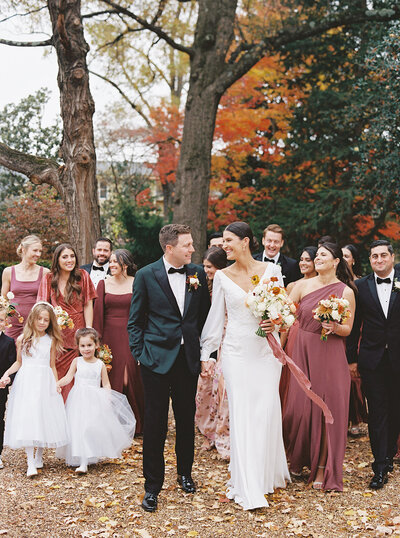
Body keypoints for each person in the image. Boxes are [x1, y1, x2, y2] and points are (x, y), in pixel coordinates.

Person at [200, 221, 290, 510]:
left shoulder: (271, 272)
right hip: (236, 352)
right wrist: (208, 354)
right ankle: (247, 483)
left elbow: (285, 312)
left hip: (265, 352)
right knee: (242, 413)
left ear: (246, 241)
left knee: (264, 411)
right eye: (223, 241)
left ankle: (264, 476)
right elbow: (215, 318)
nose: (223, 246)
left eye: (228, 240)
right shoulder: (223, 277)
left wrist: (274, 321)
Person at [128, 224, 211, 513]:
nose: (192, 249)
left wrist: (201, 351)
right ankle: (152, 487)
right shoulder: (145, 275)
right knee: (155, 424)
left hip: (187, 358)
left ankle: (185, 474)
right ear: (169, 248)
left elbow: (203, 316)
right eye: (187, 245)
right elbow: (135, 320)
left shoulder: (196, 273)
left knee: (186, 419)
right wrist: (140, 353)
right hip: (155, 360)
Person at [283, 243, 356, 491]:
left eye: (323, 254)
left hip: (329, 354)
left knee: (327, 411)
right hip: (301, 350)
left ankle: (324, 467)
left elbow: (348, 328)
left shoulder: (345, 292)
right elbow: (285, 314)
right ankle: (298, 457)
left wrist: (334, 327)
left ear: (336, 261)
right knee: (298, 409)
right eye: (317, 255)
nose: (317, 258)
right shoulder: (302, 285)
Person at [346, 240, 400, 490]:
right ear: (369, 260)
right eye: (374, 256)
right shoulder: (360, 286)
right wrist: (352, 359)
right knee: (377, 413)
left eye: (383, 255)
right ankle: (379, 467)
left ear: (392, 257)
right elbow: (355, 326)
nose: (379, 260)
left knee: (395, 411)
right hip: (373, 360)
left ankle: (388, 456)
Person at [0, 302, 68, 477]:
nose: (42, 322)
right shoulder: (23, 339)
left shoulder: (51, 340)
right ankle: (30, 462)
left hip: (44, 381)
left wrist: (56, 383)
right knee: (29, 418)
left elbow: (52, 365)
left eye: (46, 320)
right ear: (33, 318)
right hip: (27, 381)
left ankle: (39, 454)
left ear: (50, 322)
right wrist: (7, 373)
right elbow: (19, 362)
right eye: (39, 318)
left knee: (43, 416)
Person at [56, 328, 136, 474]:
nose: (86, 349)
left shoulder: (100, 364)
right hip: (78, 398)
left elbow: (105, 383)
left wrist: (107, 396)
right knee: (79, 428)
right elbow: (68, 377)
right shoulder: (76, 361)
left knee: (90, 427)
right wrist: (58, 384)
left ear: (96, 345)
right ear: (78, 347)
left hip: (94, 399)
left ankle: (86, 459)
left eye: (89, 345)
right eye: (83, 346)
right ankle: (82, 461)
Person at [93, 249, 145, 434]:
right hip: (109, 336)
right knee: (112, 375)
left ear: (126, 265)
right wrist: (97, 341)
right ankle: (112, 424)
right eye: (111, 261)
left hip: (132, 334)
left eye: (116, 261)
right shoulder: (102, 284)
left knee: (129, 375)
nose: (112, 264)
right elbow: (98, 313)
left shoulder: (137, 282)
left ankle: (137, 423)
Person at [37, 244, 97, 401]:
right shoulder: (48, 278)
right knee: (57, 379)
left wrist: (88, 330)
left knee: (77, 381)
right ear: (57, 259)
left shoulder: (83, 275)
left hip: (78, 334)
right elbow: (42, 306)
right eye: (65, 257)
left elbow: (88, 304)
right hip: (56, 336)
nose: (69, 260)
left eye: (72, 256)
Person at [195, 246, 229, 460]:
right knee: (205, 387)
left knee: (223, 388)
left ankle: (224, 434)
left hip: (226, 337)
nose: (206, 270)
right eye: (205, 266)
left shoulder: (228, 282)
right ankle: (208, 433)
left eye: (210, 267)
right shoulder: (200, 284)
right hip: (205, 338)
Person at [281, 246, 317, 410]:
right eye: (301, 259)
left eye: (307, 260)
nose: (303, 263)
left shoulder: (323, 285)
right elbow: (285, 319)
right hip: (295, 335)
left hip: (315, 335)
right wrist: (280, 346)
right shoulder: (292, 286)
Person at [1, 235, 50, 340]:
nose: (38, 254)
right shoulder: (8, 272)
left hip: (35, 325)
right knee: (10, 355)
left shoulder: (45, 272)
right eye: (35, 250)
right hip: (12, 325)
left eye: (40, 251)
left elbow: (47, 301)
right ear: (24, 249)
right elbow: (3, 301)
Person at [342, 244, 367, 437]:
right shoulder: (334, 282)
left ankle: (355, 418)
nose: (342, 259)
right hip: (336, 333)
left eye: (346, 255)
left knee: (353, 380)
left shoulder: (360, 284)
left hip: (355, 336)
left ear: (354, 260)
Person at [0, 306, 16, 469]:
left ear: (5, 322)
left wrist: (7, 379)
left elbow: (12, 366)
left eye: (1, 319)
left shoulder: (9, 342)